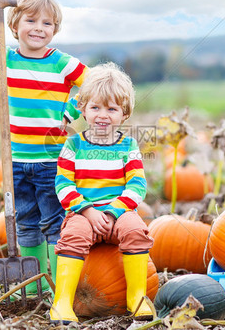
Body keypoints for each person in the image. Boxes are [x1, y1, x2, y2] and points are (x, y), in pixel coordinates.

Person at [0, 0, 87, 293]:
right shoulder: (6, 59)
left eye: (47, 24)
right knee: (26, 223)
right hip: (15, 160)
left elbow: (93, 84)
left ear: (55, 30)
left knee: (54, 222)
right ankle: (35, 287)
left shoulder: (61, 63)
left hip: (51, 160)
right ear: (14, 23)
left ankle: (60, 285)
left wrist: (69, 114)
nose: (39, 28)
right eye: (31, 20)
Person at [49, 62, 154, 324]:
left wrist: (113, 212)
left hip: (118, 212)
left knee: (136, 231)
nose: (102, 115)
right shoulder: (74, 144)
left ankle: (137, 296)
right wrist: (86, 210)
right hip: (82, 212)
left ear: (124, 113)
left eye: (111, 108)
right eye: (95, 107)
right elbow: (63, 184)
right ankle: (62, 301)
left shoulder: (128, 145)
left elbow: (137, 185)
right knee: (74, 234)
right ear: (83, 109)